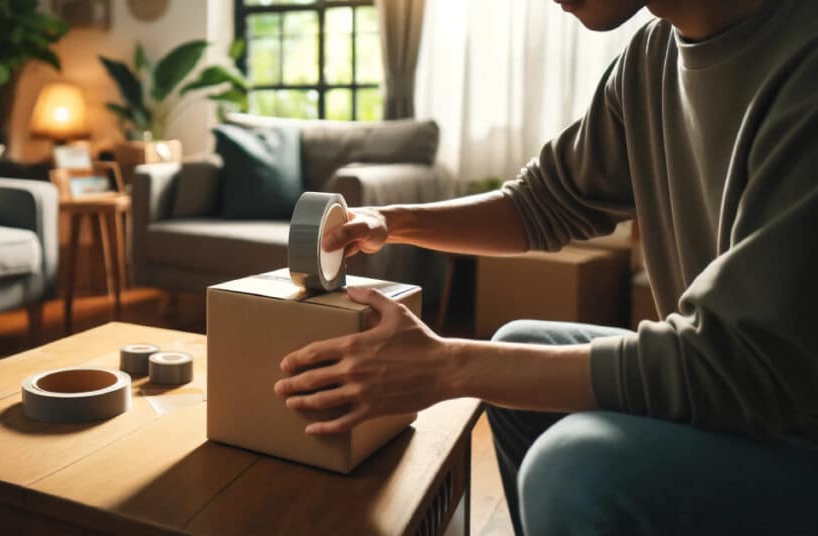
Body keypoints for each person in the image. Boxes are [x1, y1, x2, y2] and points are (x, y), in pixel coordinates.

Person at [273, 0, 818, 534]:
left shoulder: (803, 61)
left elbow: (734, 362)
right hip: (746, 398)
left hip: (795, 430)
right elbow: (543, 203)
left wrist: (446, 366)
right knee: (519, 346)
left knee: (573, 468)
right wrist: (391, 221)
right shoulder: (648, 61)